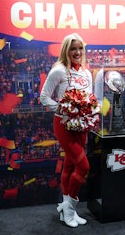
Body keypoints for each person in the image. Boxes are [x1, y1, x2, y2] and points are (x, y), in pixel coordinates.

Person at [40, 33, 92, 228]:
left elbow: (90, 99)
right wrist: (64, 109)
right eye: (73, 48)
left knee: (70, 166)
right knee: (84, 167)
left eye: (80, 48)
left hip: (82, 126)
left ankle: (67, 209)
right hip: (64, 125)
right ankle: (69, 209)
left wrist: (90, 113)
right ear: (66, 50)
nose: (77, 52)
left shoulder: (86, 73)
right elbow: (44, 98)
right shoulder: (58, 71)